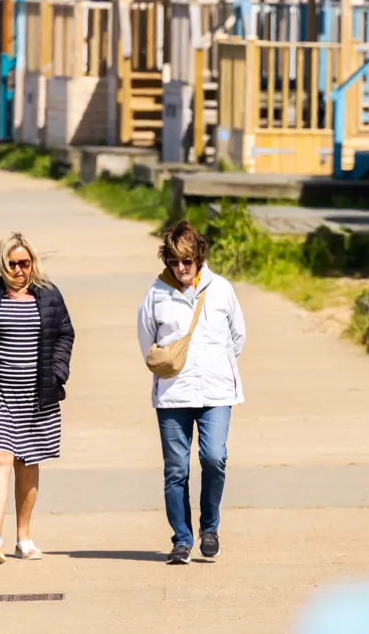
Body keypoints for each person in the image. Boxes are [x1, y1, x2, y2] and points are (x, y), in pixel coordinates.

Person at [136, 221, 247, 565]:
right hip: (173, 395)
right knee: (176, 470)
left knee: (215, 457)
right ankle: (182, 539)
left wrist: (217, 362)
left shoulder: (222, 289)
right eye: (173, 261)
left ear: (198, 257)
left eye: (186, 261)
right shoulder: (156, 294)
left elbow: (238, 336)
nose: (180, 268)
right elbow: (147, 343)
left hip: (216, 391)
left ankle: (209, 527)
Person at [0, 233, 74, 564]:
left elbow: (66, 333)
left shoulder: (49, 297)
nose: (19, 270)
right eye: (12, 264)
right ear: (2, 264)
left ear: (32, 263)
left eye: (24, 263)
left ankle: (23, 536)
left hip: (38, 395)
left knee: (27, 462)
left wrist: (58, 372)